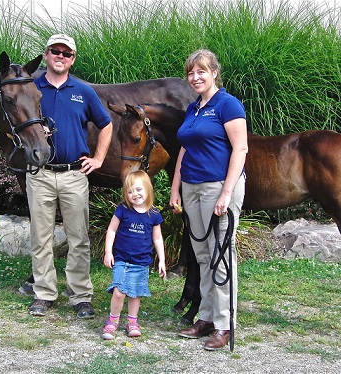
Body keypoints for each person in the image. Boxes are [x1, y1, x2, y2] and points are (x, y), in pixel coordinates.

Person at [27, 33, 113, 318]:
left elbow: (106, 124)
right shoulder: (32, 87)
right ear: (46, 54)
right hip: (39, 174)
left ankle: (80, 296)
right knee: (41, 238)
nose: (60, 56)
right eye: (55, 51)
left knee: (79, 238)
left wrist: (99, 158)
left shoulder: (83, 90)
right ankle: (44, 293)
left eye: (66, 53)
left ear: (72, 59)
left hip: (73, 174)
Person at [169, 49, 247, 351]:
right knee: (202, 256)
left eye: (201, 71)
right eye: (191, 72)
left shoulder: (228, 105)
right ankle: (205, 317)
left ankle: (224, 324)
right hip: (191, 188)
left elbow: (240, 150)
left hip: (218, 188)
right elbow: (184, 151)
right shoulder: (194, 108)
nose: (195, 77)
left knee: (221, 256)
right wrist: (175, 188)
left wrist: (226, 194)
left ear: (214, 72)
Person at [101, 170, 166, 340]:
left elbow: (157, 238)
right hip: (122, 259)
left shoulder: (154, 215)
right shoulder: (123, 210)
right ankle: (112, 322)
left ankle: (132, 322)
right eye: (130, 192)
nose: (134, 194)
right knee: (119, 292)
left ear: (148, 189)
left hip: (141, 262)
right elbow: (112, 229)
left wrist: (162, 260)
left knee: (135, 293)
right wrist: (108, 251)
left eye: (138, 190)